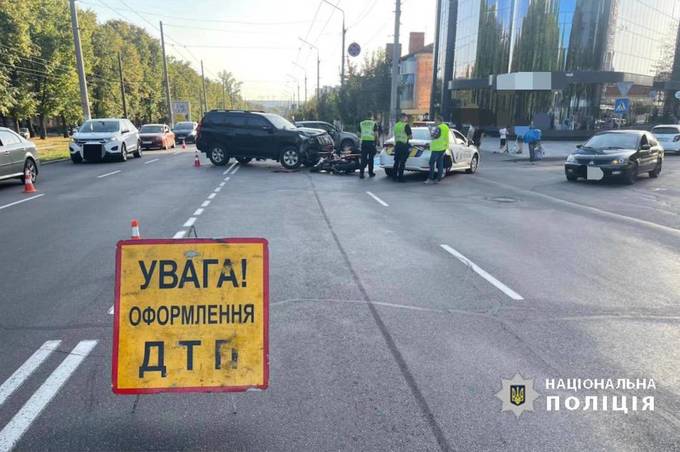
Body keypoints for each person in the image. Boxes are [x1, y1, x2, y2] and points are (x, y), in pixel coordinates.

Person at [425, 115, 449, 184]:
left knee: (431, 163)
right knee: (440, 163)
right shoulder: (446, 127)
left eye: (435, 120)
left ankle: (430, 178)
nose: (434, 121)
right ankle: (438, 179)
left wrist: (430, 130)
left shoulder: (438, 128)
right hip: (443, 148)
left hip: (436, 149)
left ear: (438, 120)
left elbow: (433, 136)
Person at [392, 113, 413, 182]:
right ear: (404, 118)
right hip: (404, 145)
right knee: (402, 162)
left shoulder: (396, 125)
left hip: (397, 145)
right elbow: (410, 136)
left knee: (396, 161)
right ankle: (400, 178)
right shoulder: (406, 125)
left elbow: (394, 134)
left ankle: (394, 176)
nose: (406, 119)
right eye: (406, 117)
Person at [359, 113, 379, 178]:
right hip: (371, 143)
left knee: (363, 158)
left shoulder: (361, 123)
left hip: (364, 142)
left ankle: (361, 173)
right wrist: (377, 142)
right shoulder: (373, 123)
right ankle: (370, 172)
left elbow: (359, 133)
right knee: (371, 158)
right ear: (371, 116)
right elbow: (376, 134)